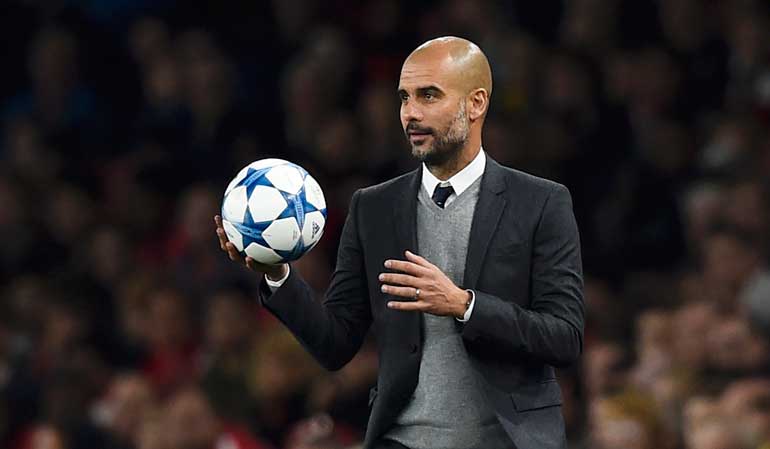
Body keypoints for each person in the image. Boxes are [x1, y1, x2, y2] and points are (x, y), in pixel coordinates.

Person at [214, 36, 584, 449]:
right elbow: (335, 344)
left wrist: (465, 305)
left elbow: (563, 337)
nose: (411, 113)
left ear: (476, 103)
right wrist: (278, 274)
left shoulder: (541, 202)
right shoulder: (373, 208)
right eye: (404, 98)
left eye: (429, 96)